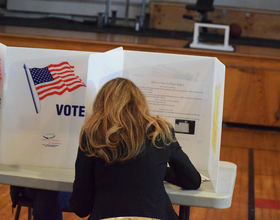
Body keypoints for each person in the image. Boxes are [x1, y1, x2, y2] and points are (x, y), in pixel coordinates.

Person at [70, 77, 201, 220]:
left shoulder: (92, 136)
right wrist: (158, 170)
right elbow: (192, 180)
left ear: (100, 105)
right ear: (140, 102)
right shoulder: (160, 131)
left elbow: (81, 207)